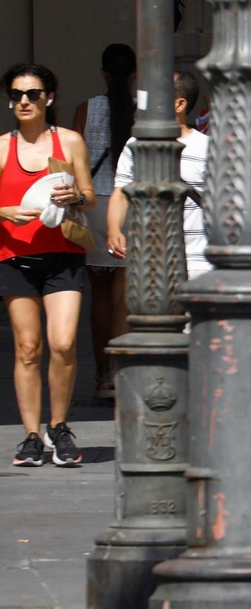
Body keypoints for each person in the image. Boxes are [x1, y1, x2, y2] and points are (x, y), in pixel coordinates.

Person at [0, 64, 93, 467]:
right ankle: (32, 435)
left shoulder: (69, 141)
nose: (24, 101)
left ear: (49, 98)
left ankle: (59, 426)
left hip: (64, 254)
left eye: (33, 94)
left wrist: (74, 196)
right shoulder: (2, 146)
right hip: (15, 256)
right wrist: (5, 211)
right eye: (18, 94)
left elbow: (90, 196)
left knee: (64, 342)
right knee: (27, 348)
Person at [70, 43, 135, 397]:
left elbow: (72, 163)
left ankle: (102, 374)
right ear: (135, 74)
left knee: (99, 295)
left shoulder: (85, 109)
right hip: (129, 206)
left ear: (103, 73)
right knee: (124, 295)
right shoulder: (144, 111)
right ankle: (122, 375)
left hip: (94, 205)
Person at [107, 70, 211, 284]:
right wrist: (114, 229)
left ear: (179, 104)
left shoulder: (209, 148)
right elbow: (121, 193)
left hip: (199, 260)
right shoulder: (135, 145)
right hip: (151, 260)